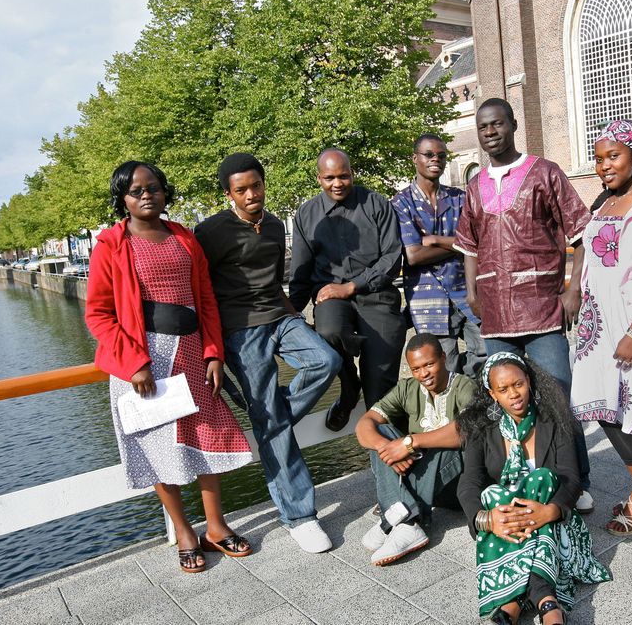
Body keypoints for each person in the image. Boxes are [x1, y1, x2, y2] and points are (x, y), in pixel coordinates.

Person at [85, 161, 253, 573]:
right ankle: (184, 532)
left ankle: (216, 526)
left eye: (154, 187)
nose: (147, 195)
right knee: (161, 447)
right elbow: (98, 314)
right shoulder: (111, 244)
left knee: (210, 436)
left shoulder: (183, 236)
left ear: (165, 192)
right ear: (122, 199)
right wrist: (134, 363)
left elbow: (206, 299)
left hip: (192, 351)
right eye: (136, 190)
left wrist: (213, 352)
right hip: (144, 362)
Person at [194, 153, 342, 554]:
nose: (251, 194)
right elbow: (200, 290)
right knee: (272, 423)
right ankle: (299, 516)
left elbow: (275, 282)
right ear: (228, 194)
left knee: (326, 360)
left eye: (255, 185)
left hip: (279, 317)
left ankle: (273, 419)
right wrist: (212, 345)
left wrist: (296, 316)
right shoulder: (210, 232)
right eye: (241, 190)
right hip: (239, 331)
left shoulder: (276, 225)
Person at [454, 98, 594, 512]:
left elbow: (579, 233)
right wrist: (472, 292)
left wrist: (573, 288)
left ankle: (577, 482)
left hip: (543, 309)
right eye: (483, 127)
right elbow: (467, 244)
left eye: (497, 124)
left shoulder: (544, 172)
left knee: (557, 398)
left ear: (514, 124)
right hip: (495, 316)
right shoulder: (475, 185)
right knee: (504, 404)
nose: (490, 132)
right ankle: (520, 479)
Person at [569, 119, 632, 535]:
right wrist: (573, 288)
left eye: (614, 156)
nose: (605, 165)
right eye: (598, 159)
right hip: (596, 322)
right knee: (596, 401)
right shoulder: (599, 204)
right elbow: (585, 255)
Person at [457, 353, 610, 625]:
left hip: (552, 517)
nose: (513, 394)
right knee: (493, 496)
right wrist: (487, 519)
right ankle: (548, 604)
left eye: (518, 384)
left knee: (541, 479)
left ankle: (512, 603)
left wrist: (550, 511)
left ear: (528, 381)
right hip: (510, 520)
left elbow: (571, 478)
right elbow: (469, 483)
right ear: (493, 394)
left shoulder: (553, 418)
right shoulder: (482, 429)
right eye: (503, 389)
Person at [289, 149, 406, 433]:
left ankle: (390, 460)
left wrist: (353, 286)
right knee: (327, 332)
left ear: (352, 173)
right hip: (330, 298)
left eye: (344, 175)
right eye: (330, 178)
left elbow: (392, 257)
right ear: (319, 178)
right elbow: (302, 270)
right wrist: (290, 312)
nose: (337, 183)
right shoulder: (307, 214)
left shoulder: (376, 204)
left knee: (380, 388)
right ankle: (349, 386)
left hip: (376, 297)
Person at [354, 333, 474, 566]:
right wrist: (387, 448)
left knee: (447, 440)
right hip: (421, 481)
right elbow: (364, 424)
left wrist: (409, 442)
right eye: (416, 368)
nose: (424, 374)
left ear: (442, 357)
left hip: (456, 486)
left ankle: (396, 519)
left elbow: (466, 430)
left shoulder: (464, 385)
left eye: (429, 364)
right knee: (383, 433)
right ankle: (404, 518)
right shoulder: (407, 388)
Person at [391, 134, 486, 377]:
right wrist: (459, 243)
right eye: (429, 155)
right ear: (415, 158)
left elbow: (478, 242)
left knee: (487, 355)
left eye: (442, 156)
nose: (436, 160)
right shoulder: (401, 204)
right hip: (428, 300)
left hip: (467, 291)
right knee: (444, 368)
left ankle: (475, 402)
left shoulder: (460, 198)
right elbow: (413, 256)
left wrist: (433, 240)